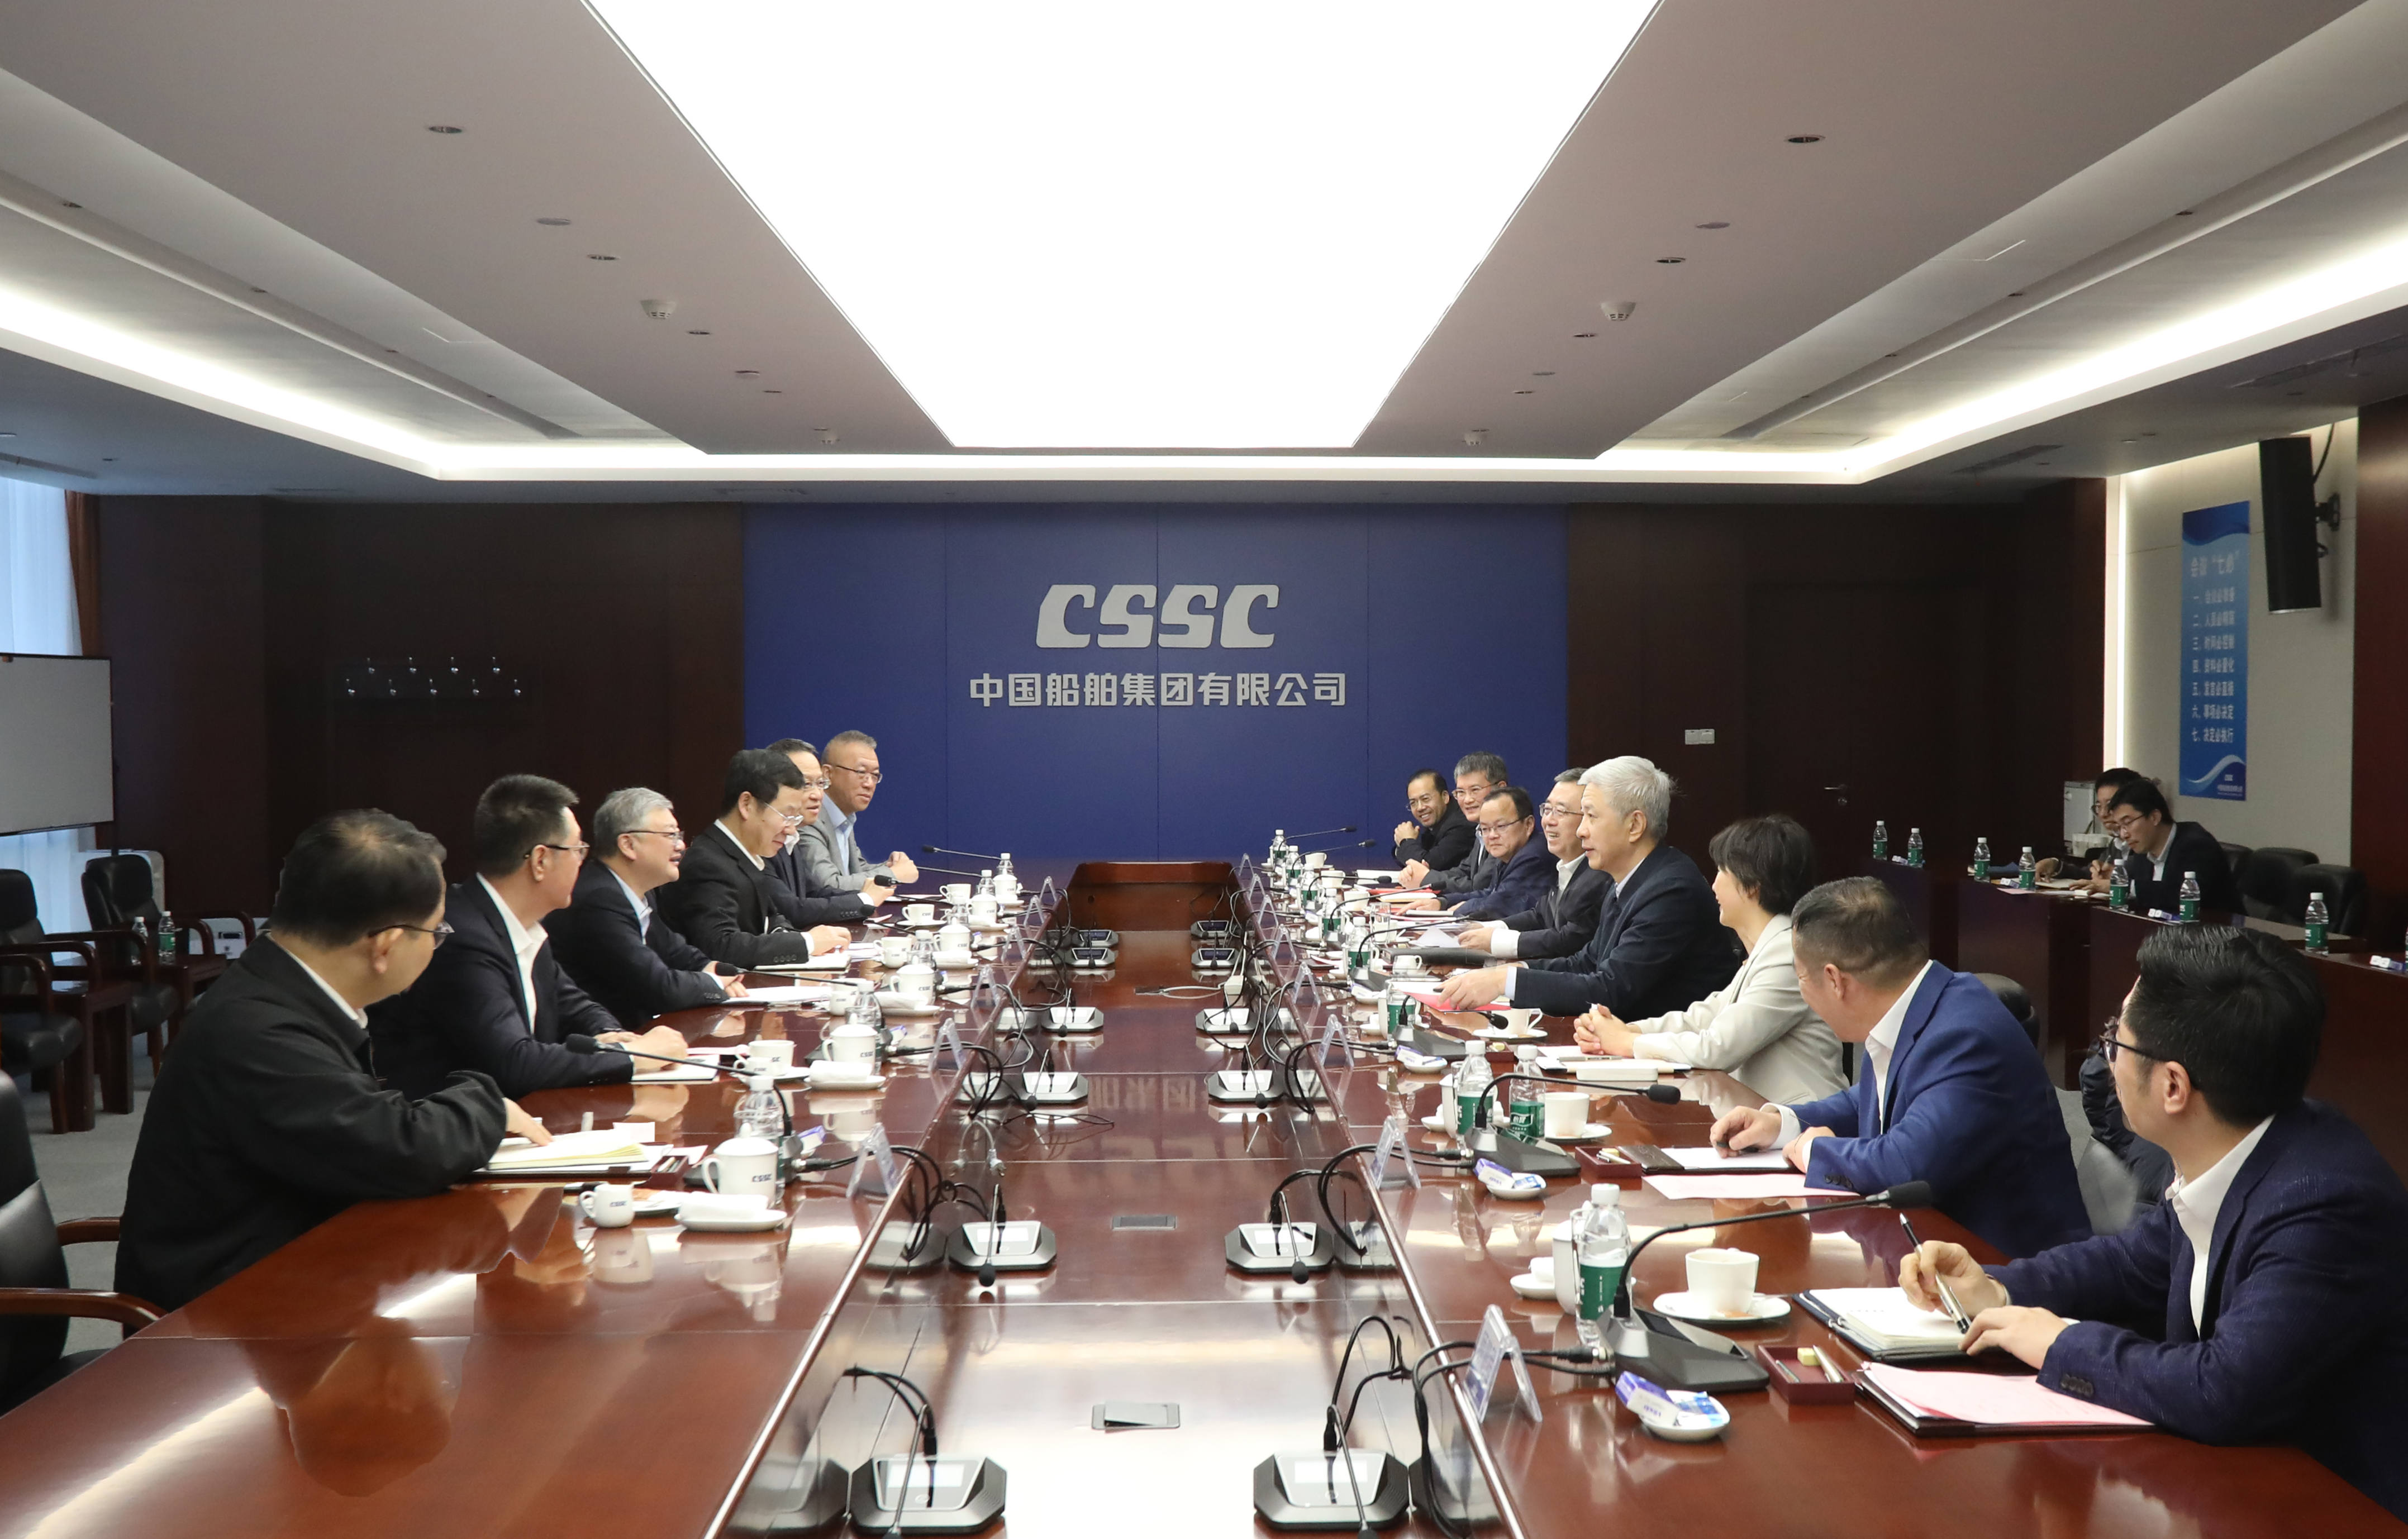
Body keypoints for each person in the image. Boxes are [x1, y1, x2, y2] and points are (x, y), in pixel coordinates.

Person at [1900, 926, 2408, 1521]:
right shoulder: (2230, 1143)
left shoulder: (2324, 1203)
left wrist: (2060, 1343)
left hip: (2326, 1511)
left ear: (2172, 1086)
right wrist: (1999, 1288)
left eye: (2116, 1039)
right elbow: (2129, 1263)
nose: (2106, 1056)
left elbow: (2223, 1390)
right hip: (2223, 1488)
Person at [115, 809, 549, 1312]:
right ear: (385, 946)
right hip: (220, 1318)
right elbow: (398, 1148)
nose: (437, 944)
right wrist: (489, 1105)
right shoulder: (259, 1030)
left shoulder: (280, 989)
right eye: (436, 931)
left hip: (287, 1275)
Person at [1710, 875, 2090, 1257]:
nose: (1803, 992)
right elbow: (1870, 1100)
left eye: (1802, 978)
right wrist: (1783, 1124)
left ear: (1835, 980)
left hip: (2010, 1272)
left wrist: (1816, 1151)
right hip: (1933, 1252)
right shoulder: (1919, 1005)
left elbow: (1906, 1164)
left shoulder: (1966, 1035)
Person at [370, 776, 688, 1100]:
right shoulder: (465, 938)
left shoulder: (524, 923)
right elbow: (516, 1062)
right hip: (460, 1123)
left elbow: (574, 1005)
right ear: (540, 861)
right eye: (578, 850)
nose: (583, 862)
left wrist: (612, 1036)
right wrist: (633, 1057)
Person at [1571, 814, 1846, 1103]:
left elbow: (1717, 1048)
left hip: (1803, 1119)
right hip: (1761, 1113)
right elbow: (1705, 1017)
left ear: (1751, 884)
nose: (1714, 885)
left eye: (1722, 872)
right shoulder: (1771, 947)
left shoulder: (1788, 954)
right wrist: (1627, 1029)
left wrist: (1628, 1042)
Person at [1436, 756, 1736, 1019]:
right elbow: (1586, 962)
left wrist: (1506, 981)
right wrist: (1505, 975)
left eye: (1591, 816)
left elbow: (1610, 990)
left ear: (1635, 826)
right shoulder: (1630, 879)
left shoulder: (1670, 891)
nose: (1581, 831)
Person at [545, 786, 750, 1028]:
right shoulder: (599, 900)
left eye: (678, 835)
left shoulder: (638, 892)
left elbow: (675, 952)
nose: (681, 845)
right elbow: (661, 989)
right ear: (628, 845)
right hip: (605, 1037)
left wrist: (712, 968)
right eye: (670, 835)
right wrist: (715, 983)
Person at [657, 749, 854, 969]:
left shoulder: (747, 855)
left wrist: (790, 937)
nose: (791, 830)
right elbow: (721, 946)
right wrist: (807, 943)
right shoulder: (708, 864)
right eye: (787, 816)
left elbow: (773, 917)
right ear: (747, 805)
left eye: (795, 818)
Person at [1457, 771, 1608, 961]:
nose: (1549, 821)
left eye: (1561, 812)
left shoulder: (1598, 874)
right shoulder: (1565, 864)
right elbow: (1540, 916)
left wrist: (1495, 941)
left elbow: (1569, 940)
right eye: (1547, 809)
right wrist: (1486, 929)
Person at [1389, 787, 1551, 921]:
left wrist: (1462, 908)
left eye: (1501, 827)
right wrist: (1442, 902)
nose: (1492, 836)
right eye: (1485, 829)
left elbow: (1501, 904)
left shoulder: (1533, 856)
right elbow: (1489, 893)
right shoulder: (1508, 853)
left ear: (1528, 825)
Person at [797, 730, 920, 895]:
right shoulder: (810, 819)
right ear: (828, 774)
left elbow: (854, 870)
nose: (869, 784)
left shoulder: (843, 816)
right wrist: (894, 874)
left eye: (875, 775)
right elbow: (827, 885)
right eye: (861, 772)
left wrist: (891, 866)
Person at [2105, 778, 2239, 915]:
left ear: (2155, 817)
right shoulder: (2143, 850)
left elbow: (2180, 895)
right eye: (2119, 827)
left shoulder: (2197, 845)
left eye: (2128, 823)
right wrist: (2111, 877)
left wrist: (2125, 888)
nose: (2124, 834)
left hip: (2216, 927)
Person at [1408, 752, 1509, 895]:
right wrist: (1426, 875)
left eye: (1475, 790)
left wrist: (1426, 878)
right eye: (1461, 792)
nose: (1467, 800)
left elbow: (1479, 888)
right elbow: (1464, 871)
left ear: (1501, 789)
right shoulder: (1481, 830)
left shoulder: (1507, 831)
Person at [2038, 767, 2147, 882]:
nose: (2103, 814)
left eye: (2111, 805)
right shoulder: (2117, 843)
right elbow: (2088, 874)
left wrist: (2116, 884)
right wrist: (2056, 865)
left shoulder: (2145, 847)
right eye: (2099, 806)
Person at [1389, 768, 1472, 875]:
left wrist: (1406, 842)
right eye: (1413, 803)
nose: (1420, 808)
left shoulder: (1462, 825)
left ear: (1445, 797)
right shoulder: (1437, 823)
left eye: (1426, 799)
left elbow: (1427, 867)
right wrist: (1405, 845)